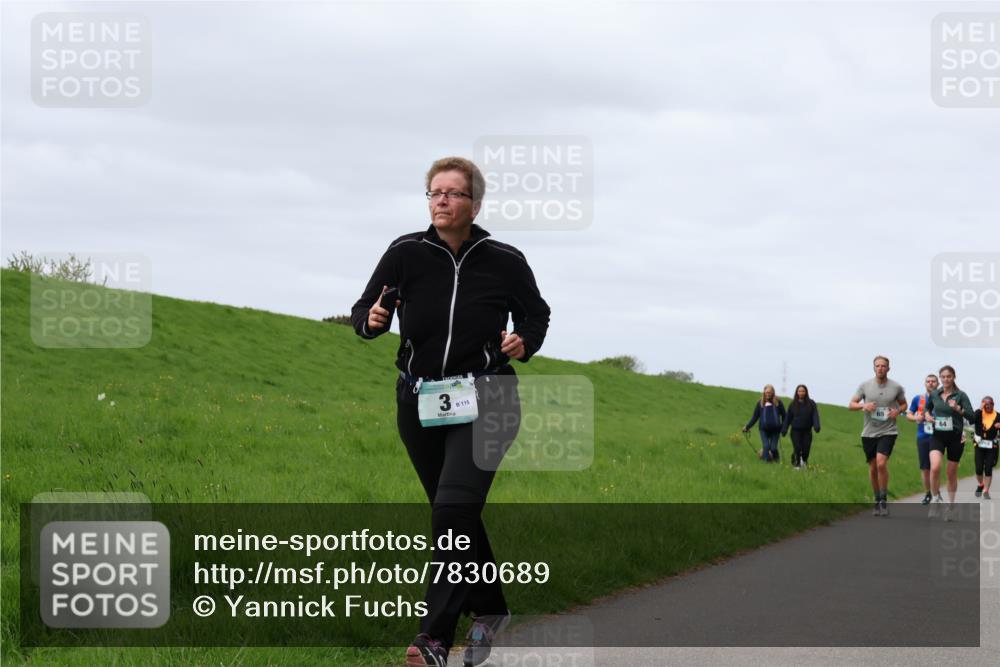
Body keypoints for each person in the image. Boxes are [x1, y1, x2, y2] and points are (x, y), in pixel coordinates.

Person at [351, 157, 551, 667]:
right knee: (453, 512)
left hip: (489, 398)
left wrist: (523, 340)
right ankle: (490, 610)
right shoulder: (405, 252)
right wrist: (372, 320)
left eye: (452, 193)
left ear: (474, 204)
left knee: (452, 511)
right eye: (434, 192)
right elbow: (364, 309)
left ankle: (434, 638)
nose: (441, 200)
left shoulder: (504, 258)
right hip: (419, 401)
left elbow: (537, 312)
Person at [849, 356, 908, 517]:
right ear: (874, 368)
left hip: (888, 431)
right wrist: (864, 405)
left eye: (883, 366)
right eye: (877, 366)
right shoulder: (865, 386)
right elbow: (851, 404)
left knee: (881, 463)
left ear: (888, 368)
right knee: (873, 467)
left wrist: (898, 411)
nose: (880, 368)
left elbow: (904, 404)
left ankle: (883, 499)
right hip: (868, 432)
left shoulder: (896, 387)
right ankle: (876, 499)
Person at [923, 365, 975, 520]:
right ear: (940, 378)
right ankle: (935, 498)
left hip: (955, 437)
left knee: (951, 473)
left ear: (954, 378)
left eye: (948, 376)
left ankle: (951, 507)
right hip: (938, 435)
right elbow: (927, 407)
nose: (945, 379)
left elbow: (972, 417)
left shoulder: (961, 395)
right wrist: (927, 415)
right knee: (935, 466)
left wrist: (958, 408)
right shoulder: (935, 394)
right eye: (943, 377)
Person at [906, 374, 940, 504]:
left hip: (939, 437)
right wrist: (916, 418)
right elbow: (909, 414)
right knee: (925, 468)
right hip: (923, 436)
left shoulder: (943, 399)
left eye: (933, 381)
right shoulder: (918, 399)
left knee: (935, 467)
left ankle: (936, 491)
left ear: (938, 384)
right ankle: (928, 493)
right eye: (928, 381)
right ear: (925, 384)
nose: (930, 383)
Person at [743, 385, 786, 463]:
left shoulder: (778, 402)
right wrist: (747, 427)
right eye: (766, 392)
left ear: (773, 392)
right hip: (763, 429)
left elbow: (784, 415)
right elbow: (755, 417)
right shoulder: (760, 403)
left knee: (773, 448)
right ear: (764, 392)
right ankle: (767, 463)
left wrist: (783, 427)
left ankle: (777, 461)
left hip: (776, 430)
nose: (768, 394)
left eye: (769, 392)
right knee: (766, 446)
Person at [782, 384, 821, 469]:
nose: (801, 393)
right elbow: (788, 418)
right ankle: (797, 464)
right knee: (797, 447)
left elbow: (815, 415)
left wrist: (816, 426)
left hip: (807, 431)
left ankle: (803, 460)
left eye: (803, 391)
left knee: (806, 450)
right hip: (795, 431)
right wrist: (784, 429)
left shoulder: (811, 403)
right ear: (797, 392)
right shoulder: (792, 404)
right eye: (799, 391)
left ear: (806, 392)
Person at [974, 396, 999, 500]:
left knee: (988, 468)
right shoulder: (979, 413)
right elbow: (973, 419)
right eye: (985, 404)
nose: (988, 406)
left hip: (992, 446)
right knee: (979, 469)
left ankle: (986, 491)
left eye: (990, 404)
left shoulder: (998, 415)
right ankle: (981, 484)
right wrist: (980, 407)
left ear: (993, 404)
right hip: (979, 445)